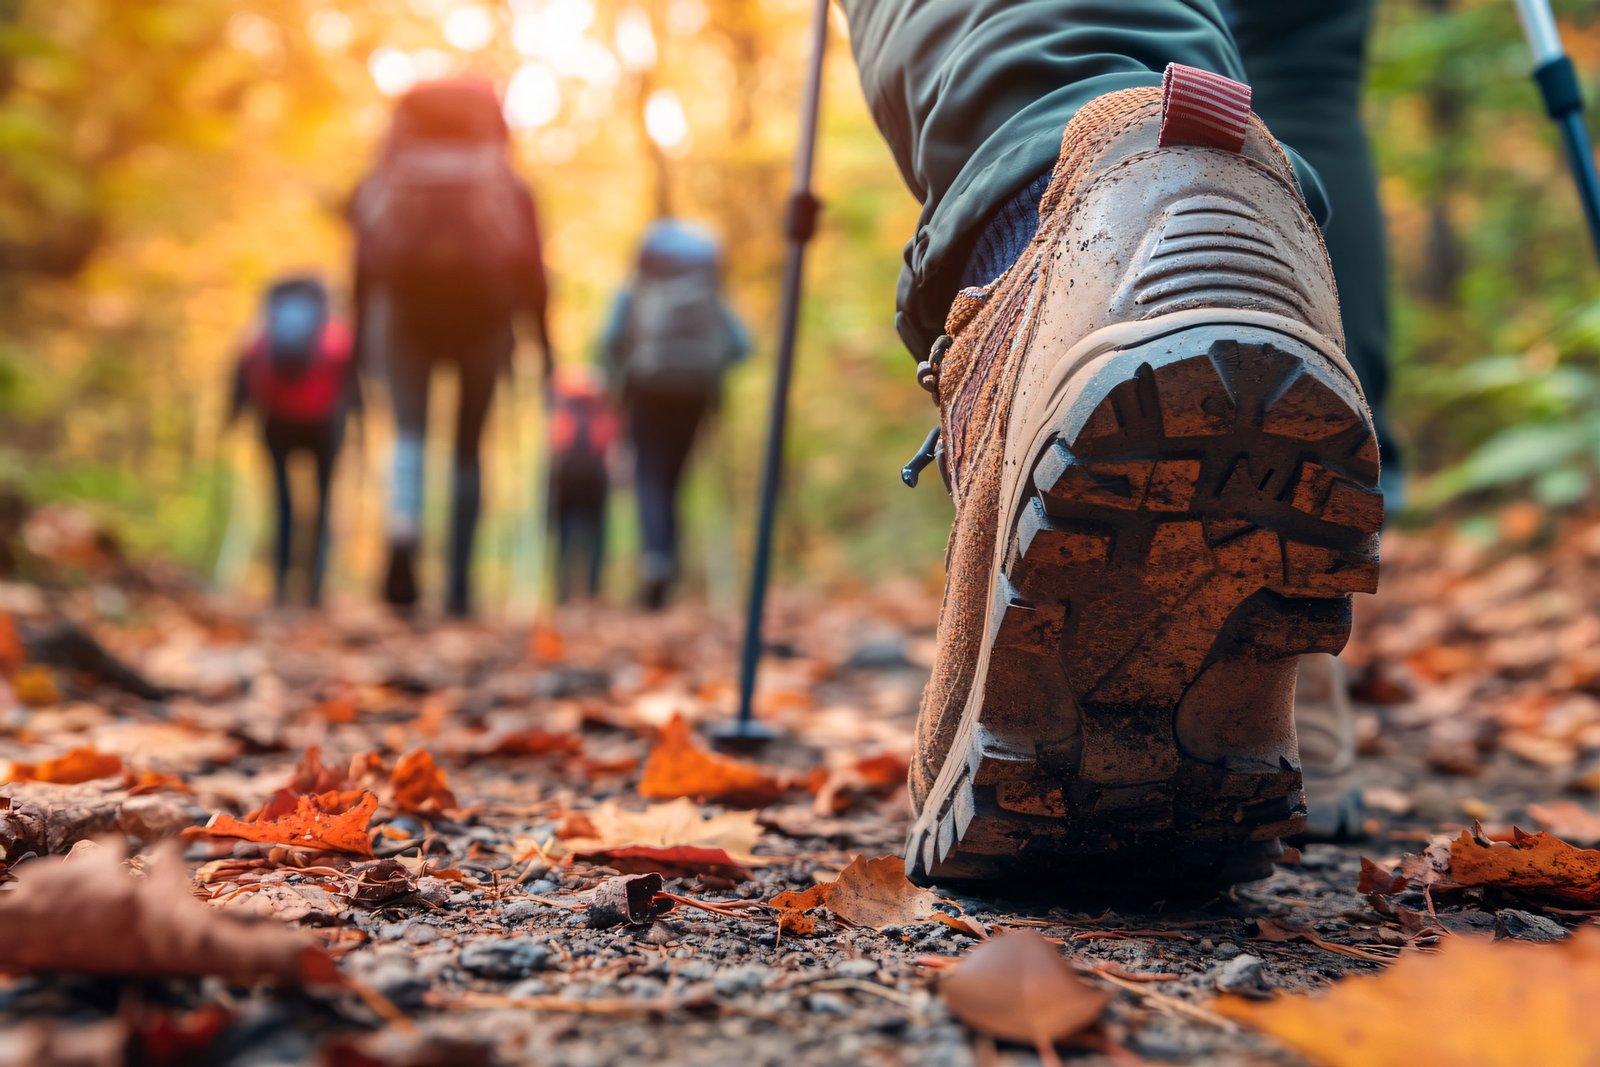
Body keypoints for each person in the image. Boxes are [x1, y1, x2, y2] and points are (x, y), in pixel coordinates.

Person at [838, 0, 1393, 888]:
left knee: (1117, 57)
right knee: (1300, 50)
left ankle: (1077, 256)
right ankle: (1296, 676)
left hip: (1099, 212)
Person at [350, 77, 553, 618]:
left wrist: (358, 339)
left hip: (403, 316)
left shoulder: (389, 178)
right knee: (468, 447)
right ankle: (460, 583)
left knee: (409, 435)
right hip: (486, 320)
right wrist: (541, 343)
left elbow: (363, 263)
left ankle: (404, 529)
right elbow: (533, 269)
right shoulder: (509, 186)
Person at [603, 220, 749, 609]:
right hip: (696, 394)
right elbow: (741, 345)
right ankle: (668, 566)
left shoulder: (634, 290)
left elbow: (610, 340)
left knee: (649, 475)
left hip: (646, 390)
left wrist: (618, 377)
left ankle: (656, 558)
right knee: (674, 480)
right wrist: (710, 367)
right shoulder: (710, 292)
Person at [227, 275, 359, 608]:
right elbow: (353, 382)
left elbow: (241, 375)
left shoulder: (262, 335)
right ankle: (315, 587)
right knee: (323, 502)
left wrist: (232, 419)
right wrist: (359, 425)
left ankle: (282, 585)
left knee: (282, 501)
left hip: (275, 421)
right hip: (325, 425)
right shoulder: (334, 336)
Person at [547, 369, 618, 603]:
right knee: (595, 535)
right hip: (595, 477)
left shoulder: (562, 407)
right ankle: (593, 588)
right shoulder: (601, 408)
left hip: (566, 476)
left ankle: (562, 589)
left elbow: (554, 443)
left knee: (564, 533)